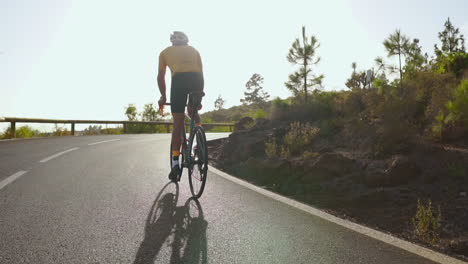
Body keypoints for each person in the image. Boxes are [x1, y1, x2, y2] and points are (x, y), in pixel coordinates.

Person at [157, 31, 204, 181]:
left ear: (172, 41)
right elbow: (201, 71)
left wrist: (163, 97)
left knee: (177, 122)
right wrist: (200, 93)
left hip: (179, 82)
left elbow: (161, 76)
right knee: (192, 110)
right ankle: (200, 141)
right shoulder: (194, 50)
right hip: (197, 80)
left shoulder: (165, 52)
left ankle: (175, 165)